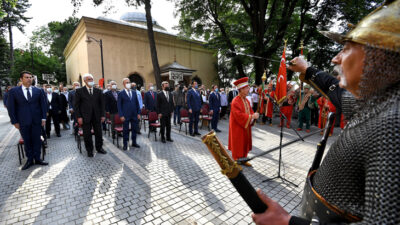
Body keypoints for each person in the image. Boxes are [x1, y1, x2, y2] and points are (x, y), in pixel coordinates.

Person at [252, 1, 400, 224]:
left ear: (376, 56)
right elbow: (337, 94)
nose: (335, 58)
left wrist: (288, 222)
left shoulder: (393, 123)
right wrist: (307, 70)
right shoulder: (376, 102)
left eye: (346, 48)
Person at [6, 71, 48, 170]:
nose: (29, 79)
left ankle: (37, 159)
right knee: (27, 141)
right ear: (21, 79)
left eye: (30, 77)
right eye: (26, 77)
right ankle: (30, 160)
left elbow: (43, 105)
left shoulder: (39, 91)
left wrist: (43, 118)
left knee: (37, 140)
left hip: (37, 121)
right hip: (23, 121)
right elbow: (11, 107)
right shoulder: (14, 91)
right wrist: (14, 121)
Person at [228, 77, 259, 167]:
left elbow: (250, 111)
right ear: (241, 89)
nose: (249, 89)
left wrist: (254, 115)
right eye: (247, 88)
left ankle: (244, 159)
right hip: (238, 127)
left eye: (248, 87)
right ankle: (237, 161)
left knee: (244, 143)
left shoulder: (246, 100)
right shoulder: (235, 101)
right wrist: (251, 117)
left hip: (245, 126)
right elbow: (239, 115)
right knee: (238, 143)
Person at [74, 73, 106, 157]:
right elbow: (76, 106)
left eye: (92, 79)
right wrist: (79, 117)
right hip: (85, 117)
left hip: (97, 116)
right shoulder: (79, 91)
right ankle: (89, 150)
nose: (91, 81)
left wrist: (103, 115)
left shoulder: (98, 91)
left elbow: (102, 104)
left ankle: (99, 148)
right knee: (87, 134)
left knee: (99, 133)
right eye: (89, 79)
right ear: (84, 81)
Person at [117, 78, 140, 150]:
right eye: (126, 82)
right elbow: (119, 105)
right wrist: (121, 115)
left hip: (134, 115)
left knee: (134, 129)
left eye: (129, 82)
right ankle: (125, 144)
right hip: (125, 115)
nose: (128, 83)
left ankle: (134, 142)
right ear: (123, 84)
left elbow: (137, 103)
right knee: (125, 130)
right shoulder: (120, 93)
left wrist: (138, 113)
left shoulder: (134, 92)